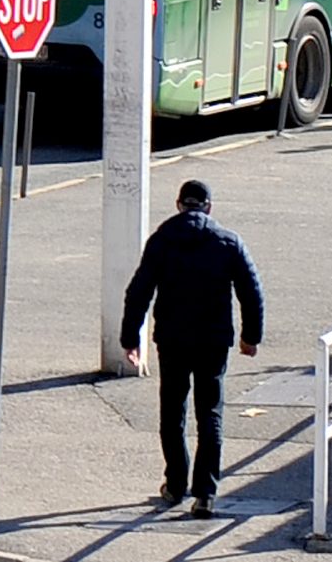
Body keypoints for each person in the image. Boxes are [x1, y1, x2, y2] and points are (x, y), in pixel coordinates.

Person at [120, 178, 265, 520]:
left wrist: (130, 339)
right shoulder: (229, 241)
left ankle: (174, 485)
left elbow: (138, 291)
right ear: (209, 207)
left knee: (173, 411)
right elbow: (251, 291)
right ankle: (206, 494)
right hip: (213, 342)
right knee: (210, 413)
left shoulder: (162, 240)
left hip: (172, 339)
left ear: (178, 204)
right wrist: (250, 338)